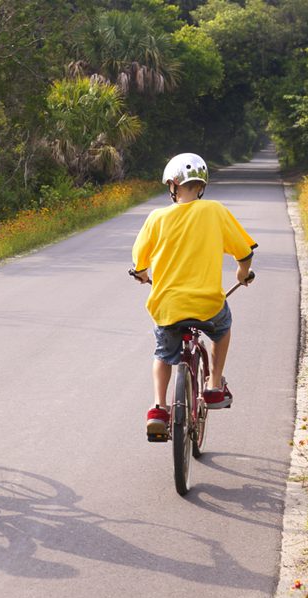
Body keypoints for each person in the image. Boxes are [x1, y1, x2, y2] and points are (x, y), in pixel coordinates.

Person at [130, 153, 256, 439]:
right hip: (207, 304)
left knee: (163, 353)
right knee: (222, 328)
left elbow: (138, 262)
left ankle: (159, 408)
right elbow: (244, 252)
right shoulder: (215, 211)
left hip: (167, 306)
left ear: (173, 184)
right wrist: (242, 273)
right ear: (201, 186)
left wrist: (141, 275)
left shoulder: (156, 218)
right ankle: (213, 384)